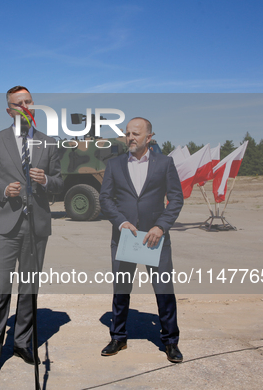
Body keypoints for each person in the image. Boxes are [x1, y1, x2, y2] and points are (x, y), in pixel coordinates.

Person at [0, 86, 63, 382]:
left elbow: (60, 181)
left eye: (29, 102)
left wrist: (47, 180)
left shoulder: (48, 142)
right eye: (19, 104)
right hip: (5, 226)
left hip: (36, 226)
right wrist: (2, 189)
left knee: (29, 289)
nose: (26, 107)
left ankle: (23, 343)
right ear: (9, 110)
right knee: (1, 289)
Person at [98, 117, 184, 363]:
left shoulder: (165, 163)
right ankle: (118, 337)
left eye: (135, 134)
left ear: (149, 137)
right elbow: (105, 199)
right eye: (127, 133)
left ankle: (170, 342)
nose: (130, 138)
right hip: (124, 237)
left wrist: (161, 226)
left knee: (164, 291)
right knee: (121, 289)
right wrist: (121, 222)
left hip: (155, 239)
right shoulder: (114, 164)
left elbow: (176, 199)